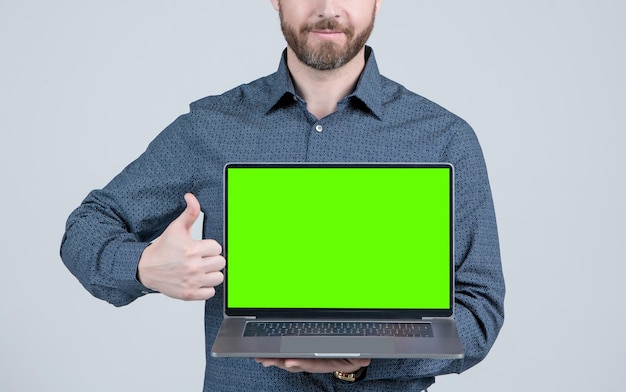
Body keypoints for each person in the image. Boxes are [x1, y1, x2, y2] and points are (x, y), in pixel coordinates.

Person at [60, 0, 505, 391]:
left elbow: (479, 309)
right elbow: (87, 226)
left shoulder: (443, 139)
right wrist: (142, 266)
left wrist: (372, 356)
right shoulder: (212, 127)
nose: (328, 7)